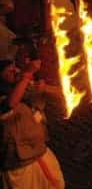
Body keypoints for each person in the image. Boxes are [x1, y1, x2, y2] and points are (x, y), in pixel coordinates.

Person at [0, 59, 64, 189]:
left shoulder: (27, 88)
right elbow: (10, 104)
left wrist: (44, 88)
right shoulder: (5, 98)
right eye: (9, 71)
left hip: (41, 154)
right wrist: (27, 74)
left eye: (15, 67)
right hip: (19, 166)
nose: (16, 71)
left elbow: (62, 94)